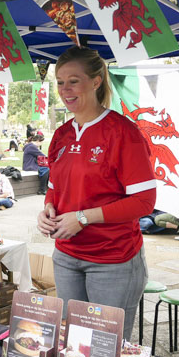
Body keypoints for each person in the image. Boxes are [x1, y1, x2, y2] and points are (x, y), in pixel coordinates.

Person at [37, 46, 156, 340]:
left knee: (104, 351)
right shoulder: (62, 134)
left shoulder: (122, 133)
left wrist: (83, 218)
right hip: (66, 257)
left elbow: (144, 202)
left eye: (73, 80)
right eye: (60, 82)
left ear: (96, 81)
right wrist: (48, 211)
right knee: (72, 347)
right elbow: (54, 189)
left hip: (112, 260)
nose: (65, 89)